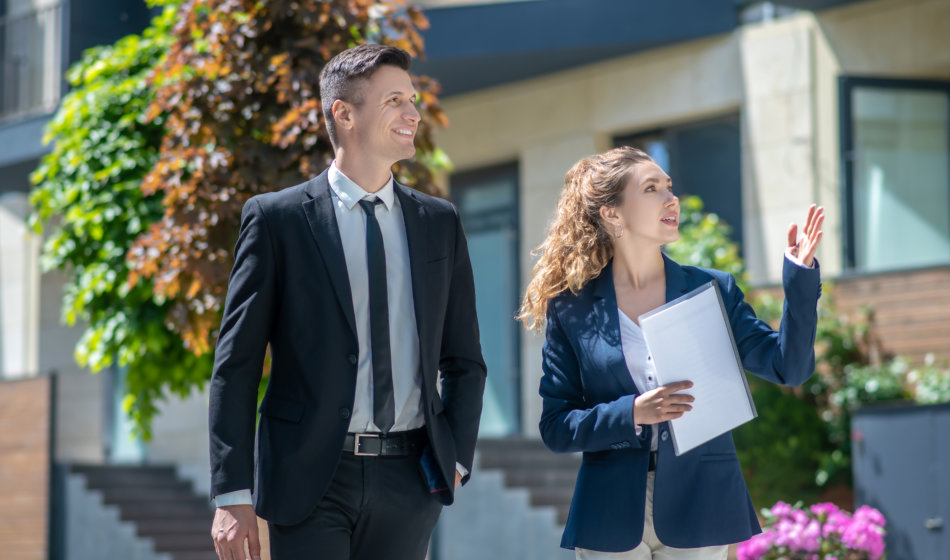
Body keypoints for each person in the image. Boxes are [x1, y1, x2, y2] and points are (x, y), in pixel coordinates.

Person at [208, 44, 486, 560]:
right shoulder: (278, 220)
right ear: (345, 112)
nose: (413, 114)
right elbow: (236, 365)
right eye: (394, 101)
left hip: (410, 477)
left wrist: (457, 457)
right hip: (309, 479)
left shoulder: (438, 222)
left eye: (413, 99)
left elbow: (464, 359)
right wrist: (232, 493)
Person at [517, 146, 824, 559]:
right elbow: (557, 427)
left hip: (701, 501)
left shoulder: (711, 289)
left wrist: (800, 280)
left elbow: (788, 368)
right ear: (612, 213)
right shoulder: (573, 309)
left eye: (669, 187)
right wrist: (631, 413)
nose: (670, 198)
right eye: (651, 188)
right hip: (610, 511)